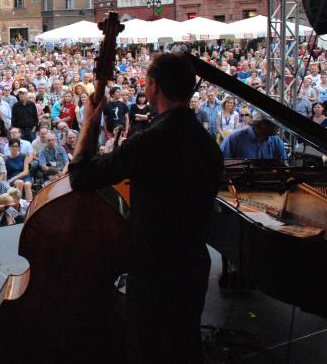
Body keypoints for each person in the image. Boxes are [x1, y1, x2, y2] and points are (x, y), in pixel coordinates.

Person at [68, 52, 223, 364]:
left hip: (154, 272)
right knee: (185, 346)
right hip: (193, 266)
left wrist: (89, 122)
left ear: (155, 87)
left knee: (148, 349)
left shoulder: (148, 142)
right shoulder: (209, 145)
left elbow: (81, 176)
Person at [220, 112, 287, 161]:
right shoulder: (234, 138)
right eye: (273, 123)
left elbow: (283, 165)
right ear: (260, 124)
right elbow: (223, 163)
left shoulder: (276, 141)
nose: (277, 126)